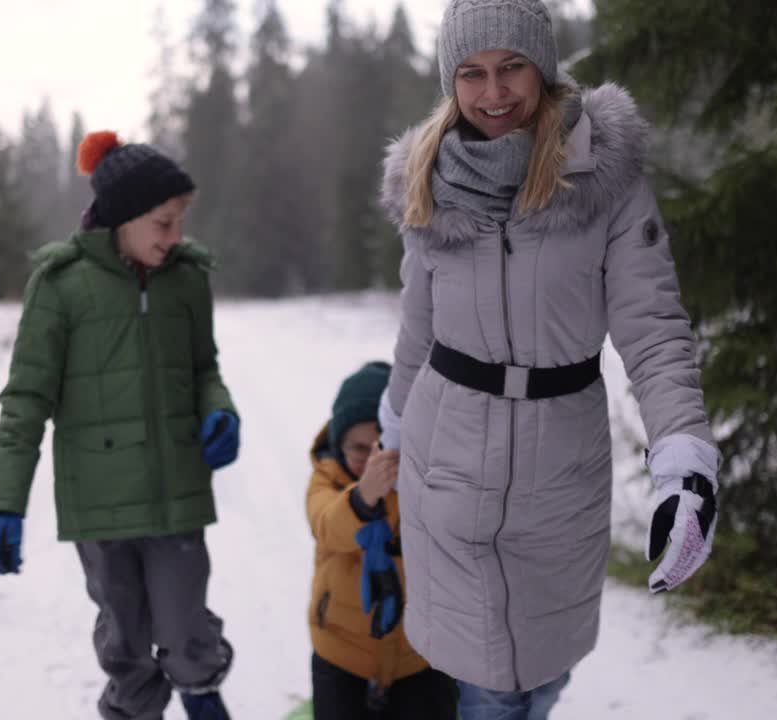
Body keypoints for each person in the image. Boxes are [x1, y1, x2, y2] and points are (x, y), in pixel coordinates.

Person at [374, 1, 722, 717]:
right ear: (451, 80)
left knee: (546, 671)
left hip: (560, 469)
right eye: (471, 73)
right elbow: (417, 334)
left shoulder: (604, 176)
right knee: (490, 688)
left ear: (543, 66)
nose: (493, 93)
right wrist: (392, 436)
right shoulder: (427, 181)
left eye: (511, 68)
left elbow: (653, 328)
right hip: (447, 461)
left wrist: (684, 457)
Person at [0, 130, 240, 720]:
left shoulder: (188, 278)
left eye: (178, 223)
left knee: (185, 625)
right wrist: (5, 504)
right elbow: (25, 401)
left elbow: (204, 368)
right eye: (163, 224)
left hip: (177, 491)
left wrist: (218, 407)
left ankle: (202, 695)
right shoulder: (61, 285)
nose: (175, 238)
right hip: (99, 505)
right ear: (123, 217)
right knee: (125, 643)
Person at [305, 362, 459, 720]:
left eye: (378, 445)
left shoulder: (426, 479)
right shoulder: (326, 479)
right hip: (341, 652)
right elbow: (326, 524)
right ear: (339, 442)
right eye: (356, 448)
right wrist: (363, 497)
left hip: (419, 654)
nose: (368, 459)